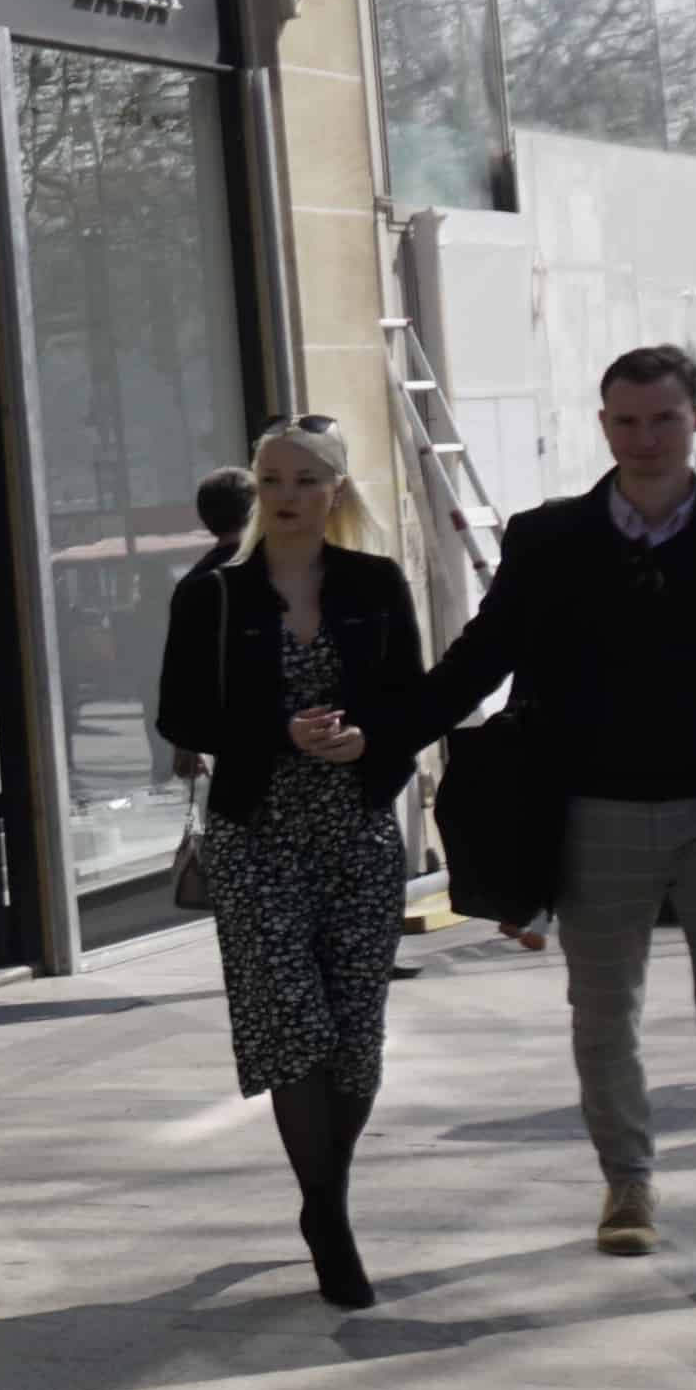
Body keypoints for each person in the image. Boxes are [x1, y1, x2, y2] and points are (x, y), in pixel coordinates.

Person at [377, 347, 696, 1309]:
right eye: (626, 422)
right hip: (595, 817)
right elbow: (477, 661)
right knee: (605, 1014)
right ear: (603, 424)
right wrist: (379, 737)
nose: (645, 440)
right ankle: (629, 1179)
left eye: (665, 421)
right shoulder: (551, 540)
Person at [157, 421, 427, 1307]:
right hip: (256, 836)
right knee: (293, 1030)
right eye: (271, 478)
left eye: (305, 479)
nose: (285, 495)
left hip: (355, 833)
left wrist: (365, 744)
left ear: (335, 490)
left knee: (355, 1039)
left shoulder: (376, 585)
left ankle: (325, 1196)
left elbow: (411, 704)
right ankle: (330, 1219)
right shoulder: (215, 596)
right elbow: (181, 716)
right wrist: (276, 735)